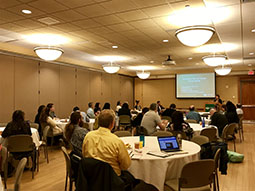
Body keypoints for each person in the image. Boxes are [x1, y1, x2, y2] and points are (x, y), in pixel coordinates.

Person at [82, 109, 132, 179]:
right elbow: (126, 165)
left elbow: (84, 156)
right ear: (112, 124)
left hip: (91, 178)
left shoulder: (88, 136)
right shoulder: (117, 141)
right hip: (112, 181)